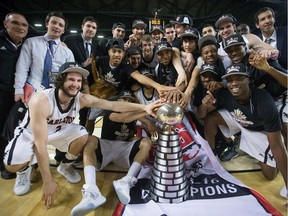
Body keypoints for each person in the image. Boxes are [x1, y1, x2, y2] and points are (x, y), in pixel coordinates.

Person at [4, 62, 162, 209]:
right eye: (71, 79)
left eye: (79, 81)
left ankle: (65, 166)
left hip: (59, 130)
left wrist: (146, 107)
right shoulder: (41, 100)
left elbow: (112, 105)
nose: (76, 84)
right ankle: (23, 171)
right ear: (60, 80)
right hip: (31, 134)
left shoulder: (81, 98)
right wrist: (48, 181)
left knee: (82, 134)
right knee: (11, 165)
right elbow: (40, 144)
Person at [198, 63, 287, 198]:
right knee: (211, 119)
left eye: (239, 78)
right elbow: (201, 115)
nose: (234, 83)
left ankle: (273, 161)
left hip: (259, 130)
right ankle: (212, 157)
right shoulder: (224, 93)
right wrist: (204, 105)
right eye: (230, 80)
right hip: (239, 120)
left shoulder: (264, 102)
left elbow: (277, 145)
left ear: (248, 80)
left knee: (269, 175)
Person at [71, 90, 154, 215]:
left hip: (123, 148)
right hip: (106, 145)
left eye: (130, 100)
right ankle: (91, 189)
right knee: (91, 138)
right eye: (124, 99)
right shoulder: (110, 112)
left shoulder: (133, 116)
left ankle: (127, 180)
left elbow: (131, 130)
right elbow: (122, 118)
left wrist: (146, 123)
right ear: (117, 101)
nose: (127, 102)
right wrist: (147, 115)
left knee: (146, 142)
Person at [222, 33, 287, 148]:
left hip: (282, 96)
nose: (234, 53)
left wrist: (268, 69)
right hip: (266, 102)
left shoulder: (260, 58)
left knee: (284, 124)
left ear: (246, 47)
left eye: (237, 48)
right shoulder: (234, 67)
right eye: (230, 51)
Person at [14, 11, 74, 103]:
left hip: (56, 93)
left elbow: (70, 75)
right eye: (53, 22)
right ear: (47, 24)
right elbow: (22, 67)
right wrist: (18, 89)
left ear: (63, 30)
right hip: (32, 89)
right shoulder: (31, 42)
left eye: (61, 25)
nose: (57, 26)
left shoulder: (67, 52)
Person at [0, 12, 29, 179]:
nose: (20, 27)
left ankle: (9, 163)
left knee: (14, 129)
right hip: (2, 93)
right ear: (6, 24)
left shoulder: (27, 44)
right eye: (16, 23)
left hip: (19, 94)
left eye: (24, 25)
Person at [63, 16, 99, 127]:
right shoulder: (69, 40)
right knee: (66, 109)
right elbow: (64, 61)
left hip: (89, 84)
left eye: (94, 27)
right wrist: (82, 65)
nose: (91, 29)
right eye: (88, 26)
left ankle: (82, 130)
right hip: (72, 80)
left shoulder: (97, 44)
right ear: (82, 26)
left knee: (85, 110)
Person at [214, 13, 279, 68]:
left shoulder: (248, 38)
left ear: (234, 27)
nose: (225, 30)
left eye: (228, 26)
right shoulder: (217, 49)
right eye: (222, 28)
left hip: (252, 78)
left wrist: (263, 52)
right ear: (219, 32)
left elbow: (274, 50)